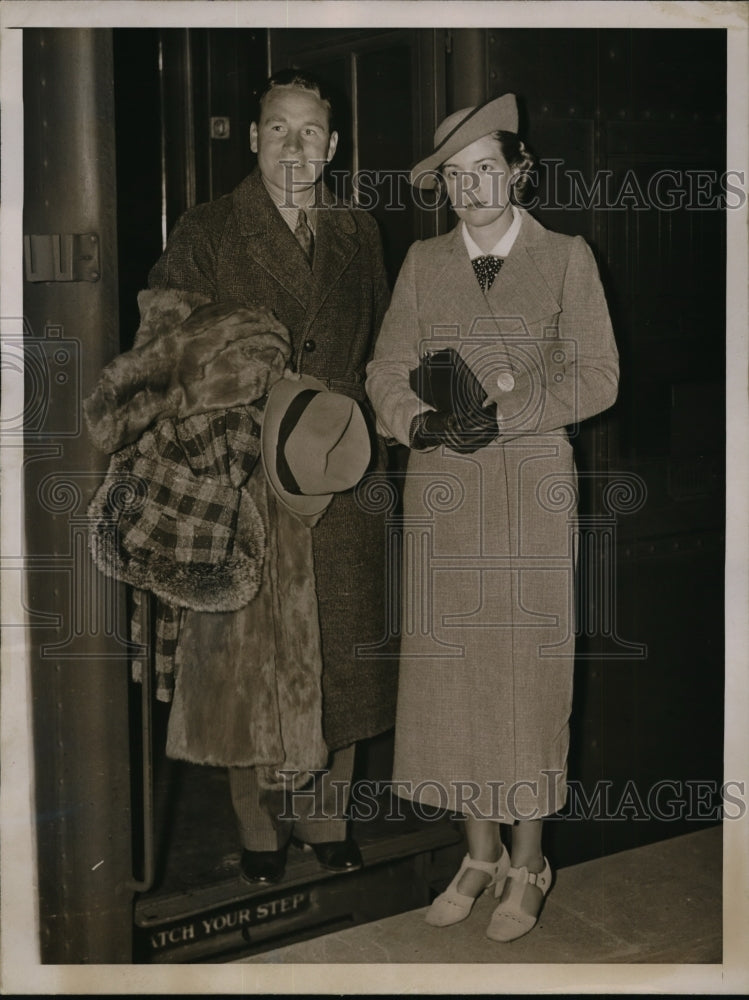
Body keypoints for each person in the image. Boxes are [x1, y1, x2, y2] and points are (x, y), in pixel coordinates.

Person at [113, 68, 395, 885]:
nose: (293, 146)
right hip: (244, 480)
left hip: (335, 470)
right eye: (278, 129)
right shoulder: (206, 229)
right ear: (251, 138)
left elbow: (376, 339)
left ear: (333, 145)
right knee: (246, 668)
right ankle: (256, 826)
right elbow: (160, 343)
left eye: (310, 131)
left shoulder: (356, 229)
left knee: (345, 659)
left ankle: (327, 814)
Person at [365, 93, 619, 941]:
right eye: (454, 178)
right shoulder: (421, 262)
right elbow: (383, 370)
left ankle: (526, 862)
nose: (471, 189)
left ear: (517, 171)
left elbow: (599, 377)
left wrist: (510, 410)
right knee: (452, 681)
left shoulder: (565, 257)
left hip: (530, 497)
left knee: (525, 681)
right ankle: (475, 854)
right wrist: (417, 421)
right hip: (443, 495)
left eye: (486, 170)